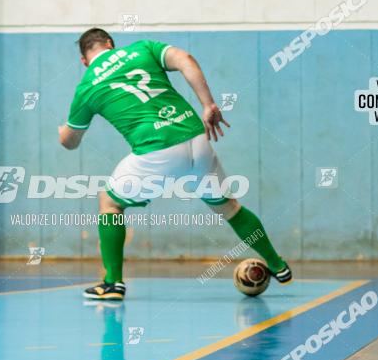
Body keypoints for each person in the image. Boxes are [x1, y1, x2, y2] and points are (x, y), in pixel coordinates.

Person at [59, 28, 291, 302]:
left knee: (109, 202)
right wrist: (208, 105)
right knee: (229, 206)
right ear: (110, 44)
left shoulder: (87, 86)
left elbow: (70, 141)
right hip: (197, 138)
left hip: (156, 151)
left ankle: (112, 284)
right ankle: (278, 265)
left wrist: (62, 130)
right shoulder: (142, 48)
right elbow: (185, 59)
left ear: (84, 61)